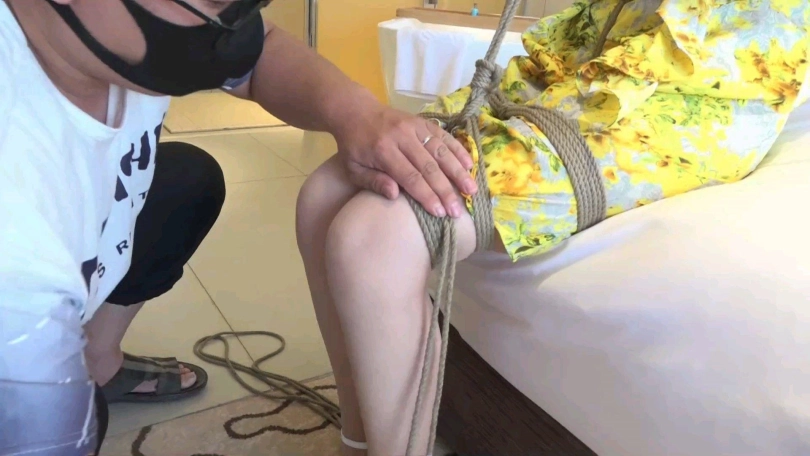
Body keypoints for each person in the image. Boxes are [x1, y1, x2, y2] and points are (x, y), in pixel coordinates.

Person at [296, 1, 810, 455]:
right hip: (605, 46)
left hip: (699, 77)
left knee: (375, 240)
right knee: (322, 195)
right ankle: (357, 441)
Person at [0, 0, 477, 454]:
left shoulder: (99, 35)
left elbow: (258, 50)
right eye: (213, 4)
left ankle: (97, 360)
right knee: (74, 421)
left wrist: (359, 114)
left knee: (188, 181)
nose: (233, 23)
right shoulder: (18, 248)